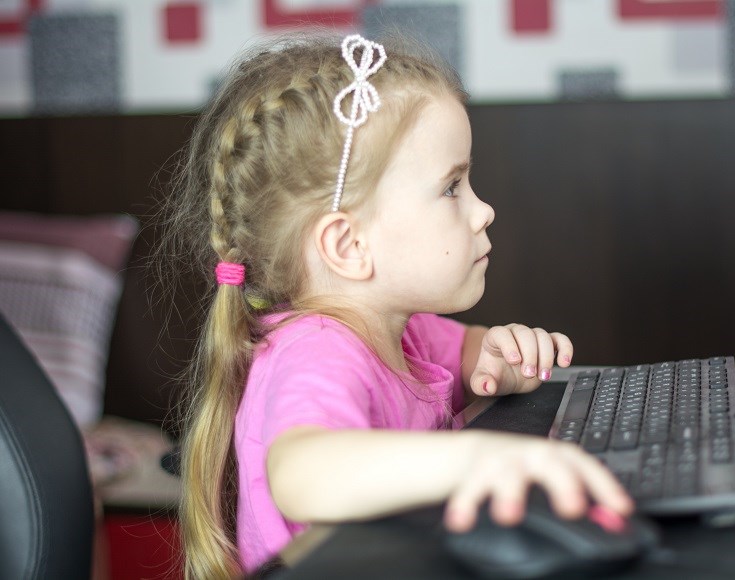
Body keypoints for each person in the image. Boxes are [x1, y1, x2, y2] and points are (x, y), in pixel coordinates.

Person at [161, 31, 633, 579]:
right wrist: (478, 458)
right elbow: (303, 472)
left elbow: (468, 356)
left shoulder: (401, 331)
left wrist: (502, 356)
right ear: (348, 246)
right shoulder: (316, 352)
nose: (484, 211)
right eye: (452, 188)